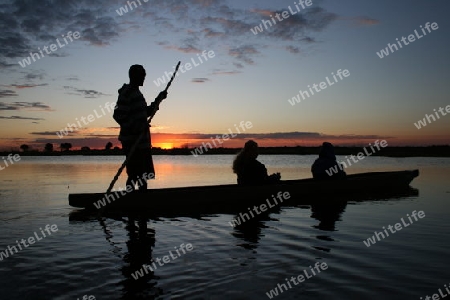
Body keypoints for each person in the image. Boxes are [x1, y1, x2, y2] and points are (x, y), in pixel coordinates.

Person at [113, 64, 167, 191]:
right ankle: (132, 201)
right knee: (134, 174)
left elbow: (145, 113)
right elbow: (119, 115)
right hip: (132, 142)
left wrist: (159, 99)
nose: (144, 78)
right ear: (134, 76)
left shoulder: (137, 93)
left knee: (143, 176)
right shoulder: (127, 93)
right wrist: (137, 127)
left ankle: (142, 202)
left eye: (144, 76)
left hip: (142, 143)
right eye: (142, 76)